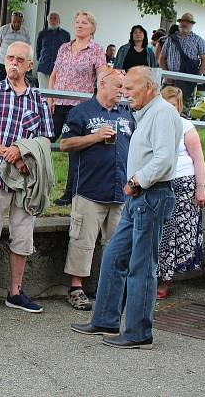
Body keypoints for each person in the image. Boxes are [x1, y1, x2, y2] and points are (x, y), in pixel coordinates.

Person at [71, 66, 181, 350]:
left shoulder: (163, 113)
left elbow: (165, 159)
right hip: (139, 197)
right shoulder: (147, 114)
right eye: (124, 88)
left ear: (149, 88)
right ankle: (106, 318)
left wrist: (136, 181)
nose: (125, 94)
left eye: (130, 88)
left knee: (142, 267)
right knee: (113, 256)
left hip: (151, 194)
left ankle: (138, 332)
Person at [0, 41, 54, 317]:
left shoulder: (38, 99)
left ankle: (15, 292)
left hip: (26, 180)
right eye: (10, 57)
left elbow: (46, 139)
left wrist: (24, 154)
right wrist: (9, 153)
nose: (13, 63)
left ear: (29, 65)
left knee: (23, 235)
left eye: (20, 59)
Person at [58, 68, 134, 310]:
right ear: (102, 84)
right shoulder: (81, 112)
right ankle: (76, 288)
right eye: (118, 86)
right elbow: (65, 144)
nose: (123, 91)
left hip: (120, 190)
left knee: (117, 244)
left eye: (125, 87)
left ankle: (113, 289)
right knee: (82, 241)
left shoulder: (127, 114)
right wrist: (95, 136)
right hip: (90, 189)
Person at [48, 10, 108, 206]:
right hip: (58, 103)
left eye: (84, 22)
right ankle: (36, 183)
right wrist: (50, 97)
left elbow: (101, 77)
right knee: (43, 141)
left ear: (92, 28)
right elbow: (54, 74)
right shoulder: (64, 47)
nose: (79, 25)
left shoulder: (96, 50)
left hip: (79, 107)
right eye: (77, 22)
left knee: (75, 151)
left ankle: (70, 192)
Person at [156, 86, 205, 299]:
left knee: (173, 234)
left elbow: (198, 159)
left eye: (173, 105)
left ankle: (165, 280)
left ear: (178, 107)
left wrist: (200, 188)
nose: (169, 109)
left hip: (183, 184)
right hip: (159, 183)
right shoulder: (153, 124)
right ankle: (155, 276)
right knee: (158, 233)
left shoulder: (186, 127)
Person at [159, 12, 205, 114]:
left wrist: (196, 78)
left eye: (188, 22)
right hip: (170, 81)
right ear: (179, 23)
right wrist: (167, 74)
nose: (185, 24)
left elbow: (204, 60)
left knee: (183, 112)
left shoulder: (199, 41)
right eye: (183, 22)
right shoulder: (170, 39)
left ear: (192, 24)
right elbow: (162, 58)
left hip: (188, 82)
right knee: (163, 109)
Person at [35, 11, 71, 89]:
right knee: (43, 92)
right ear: (48, 20)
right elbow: (38, 49)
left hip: (59, 69)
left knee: (55, 93)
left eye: (55, 18)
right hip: (43, 67)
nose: (53, 20)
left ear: (59, 20)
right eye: (51, 18)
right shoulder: (42, 34)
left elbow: (68, 51)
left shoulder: (65, 35)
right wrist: (41, 59)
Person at [0, 11, 31, 82]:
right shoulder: (3, 29)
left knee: (15, 85)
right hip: (2, 63)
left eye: (19, 22)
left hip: (18, 64)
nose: (16, 24)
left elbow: (27, 48)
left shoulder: (25, 32)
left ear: (22, 22)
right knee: (0, 84)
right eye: (14, 21)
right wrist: (5, 56)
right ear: (11, 20)